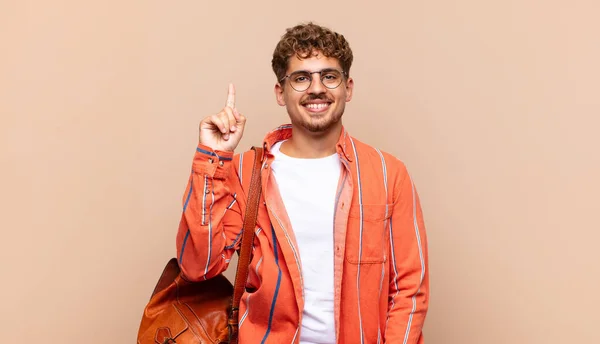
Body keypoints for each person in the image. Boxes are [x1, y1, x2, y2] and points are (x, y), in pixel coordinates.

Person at [176, 22, 429, 344]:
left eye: (329, 76)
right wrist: (213, 157)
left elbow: (410, 286)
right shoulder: (246, 171)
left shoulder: (387, 173)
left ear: (347, 88)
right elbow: (198, 267)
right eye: (301, 78)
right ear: (281, 93)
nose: (316, 88)